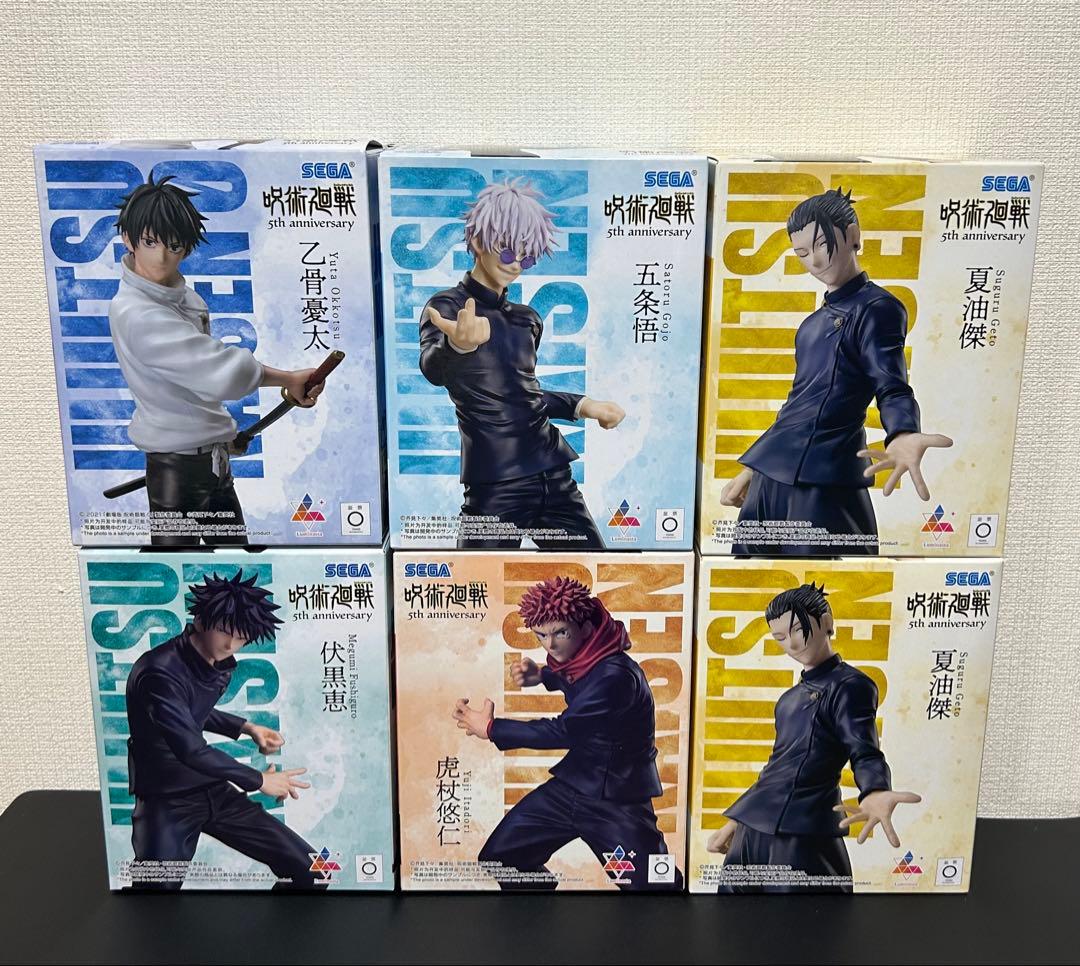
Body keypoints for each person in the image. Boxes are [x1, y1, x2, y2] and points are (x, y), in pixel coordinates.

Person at [721, 187, 952, 555]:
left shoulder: (878, 308)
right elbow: (799, 405)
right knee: (750, 579)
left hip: (824, 480)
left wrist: (903, 431)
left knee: (832, 578)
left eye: (821, 244)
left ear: (852, 236)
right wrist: (755, 467)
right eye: (801, 253)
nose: (813, 260)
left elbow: (891, 385)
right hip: (772, 477)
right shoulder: (811, 326)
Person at [110, 174, 325, 546]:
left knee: (235, 565)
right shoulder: (138, 313)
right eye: (149, 242)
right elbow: (218, 372)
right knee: (178, 568)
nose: (161, 257)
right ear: (128, 239)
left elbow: (191, 389)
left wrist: (221, 440)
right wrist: (288, 378)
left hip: (210, 462)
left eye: (174, 245)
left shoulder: (179, 297)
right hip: (177, 469)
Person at [419, 178, 625, 548]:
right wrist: (457, 345)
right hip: (495, 484)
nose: (516, 265)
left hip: (555, 475)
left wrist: (584, 405)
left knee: (594, 576)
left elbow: (520, 393)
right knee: (477, 583)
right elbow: (433, 370)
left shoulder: (526, 319)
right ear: (478, 242)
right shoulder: (447, 307)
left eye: (526, 257)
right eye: (507, 252)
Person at [453, 576, 680, 890]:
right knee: (502, 857)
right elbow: (575, 675)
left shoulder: (615, 676)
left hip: (616, 802)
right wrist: (543, 675)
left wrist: (491, 729)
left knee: (653, 884)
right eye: (541, 635)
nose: (550, 645)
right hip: (572, 788)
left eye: (560, 633)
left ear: (585, 628)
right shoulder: (589, 658)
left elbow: (564, 730)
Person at [706, 582, 921, 893]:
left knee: (807, 919)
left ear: (826, 622)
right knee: (728, 917)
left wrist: (874, 789)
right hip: (752, 833)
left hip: (803, 834)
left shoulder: (851, 686)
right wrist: (737, 821)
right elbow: (778, 767)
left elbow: (864, 750)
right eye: (780, 637)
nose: (792, 644)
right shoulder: (788, 700)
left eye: (798, 629)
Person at [125, 571, 320, 890]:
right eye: (225, 632)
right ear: (201, 620)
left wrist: (246, 727)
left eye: (241, 638)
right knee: (154, 894)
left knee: (313, 871)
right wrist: (259, 780)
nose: (231, 645)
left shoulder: (215, 663)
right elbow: (190, 748)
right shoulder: (158, 672)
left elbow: (190, 711)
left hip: (210, 786)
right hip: (166, 799)